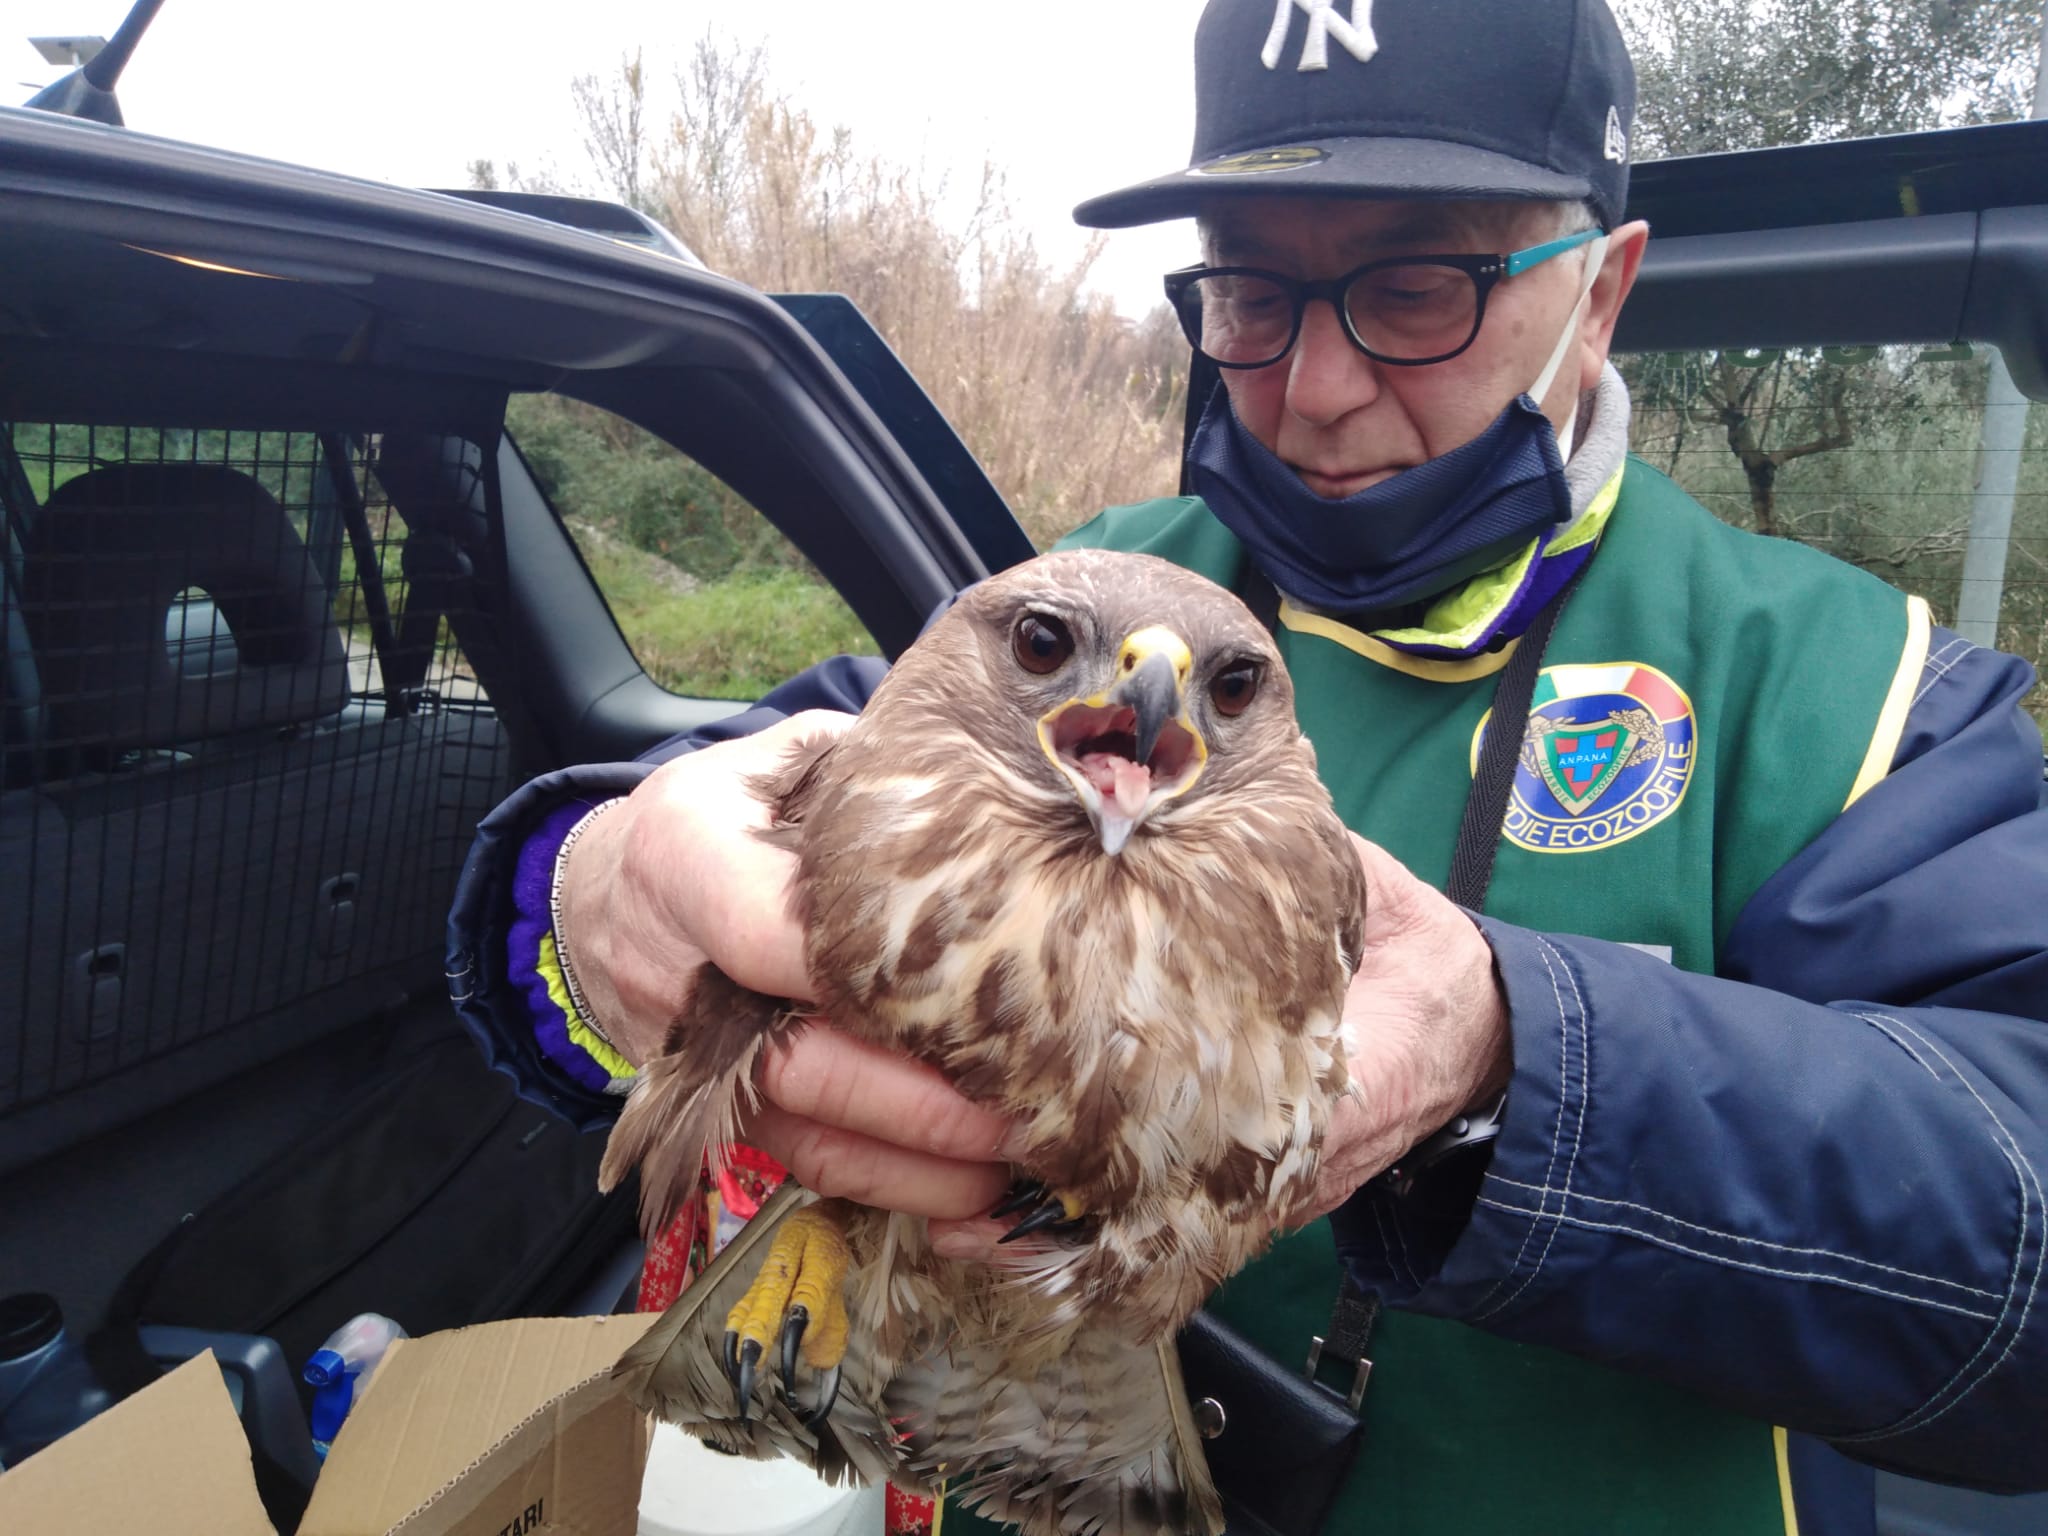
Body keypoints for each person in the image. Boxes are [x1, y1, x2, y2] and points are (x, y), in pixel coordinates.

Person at [446, 1, 2048, 1531]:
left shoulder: (1855, 691)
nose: (1316, 385)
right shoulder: (1082, 600)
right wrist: (588, 893)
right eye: (1250, 295)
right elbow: (739, 800)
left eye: (1418, 287)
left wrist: (1514, 1063)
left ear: (1604, 288)